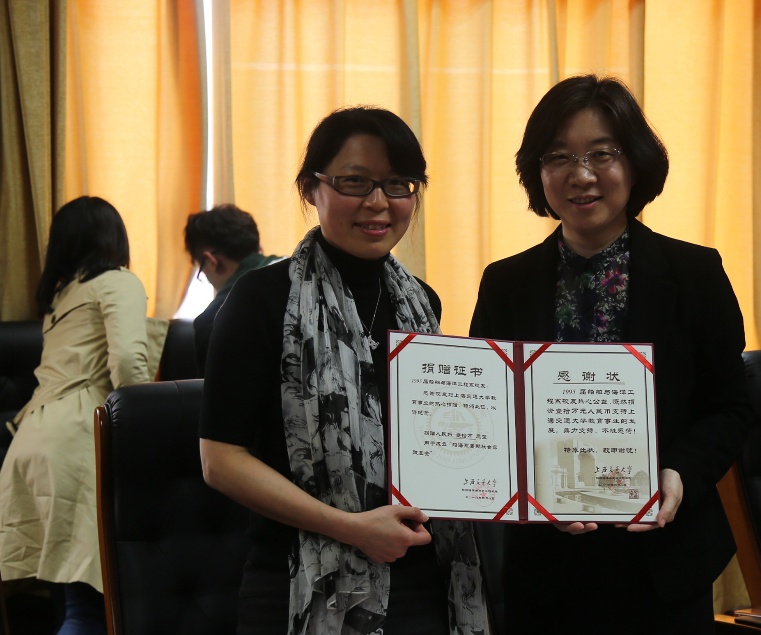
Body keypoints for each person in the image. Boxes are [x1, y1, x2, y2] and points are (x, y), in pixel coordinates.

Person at [469, 75, 753, 634]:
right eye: (559, 157)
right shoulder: (506, 283)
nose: (581, 175)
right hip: (546, 568)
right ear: (537, 172)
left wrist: (680, 472)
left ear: (636, 163)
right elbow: (489, 414)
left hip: (664, 561)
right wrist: (529, 489)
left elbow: (731, 407)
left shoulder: (695, 274)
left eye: (603, 153)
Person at [199, 106, 491, 635]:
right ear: (312, 189)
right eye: (355, 181)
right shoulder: (260, 300)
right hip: (297, 578)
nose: (378, 202)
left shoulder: (422, 303)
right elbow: (221, 461)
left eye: (398, 184)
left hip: (419, 573)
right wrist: (353, 528)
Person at [0, 196, 164, 635]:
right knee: (89, 609)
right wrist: (151, 427)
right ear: (114, 237)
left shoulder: (60, 296)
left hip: (30, 443)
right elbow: (127, 363)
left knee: (66, 592)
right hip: (76, 440)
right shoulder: (117, 282)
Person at [184, 204, 283, 375]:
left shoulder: (214, 320)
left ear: (211, 261)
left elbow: (215, 390)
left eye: (202, 271)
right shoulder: (309, 271)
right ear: (259, 248)